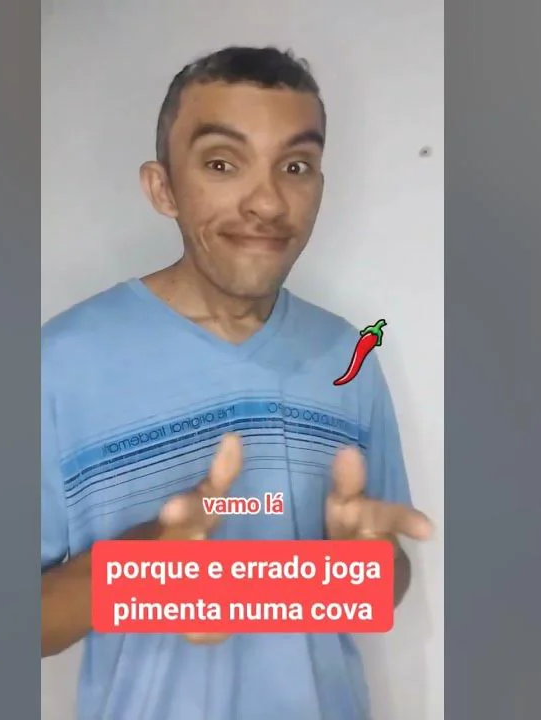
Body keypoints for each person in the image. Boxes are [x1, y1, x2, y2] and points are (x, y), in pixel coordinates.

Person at [40, 46, 434, 719]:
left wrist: (365, 560)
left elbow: (379, 587)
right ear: (163, 188)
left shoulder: (349, 357)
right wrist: (137, 572)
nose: (268, 202)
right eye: (222, 163)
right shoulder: (59, 363)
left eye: (295, 166)